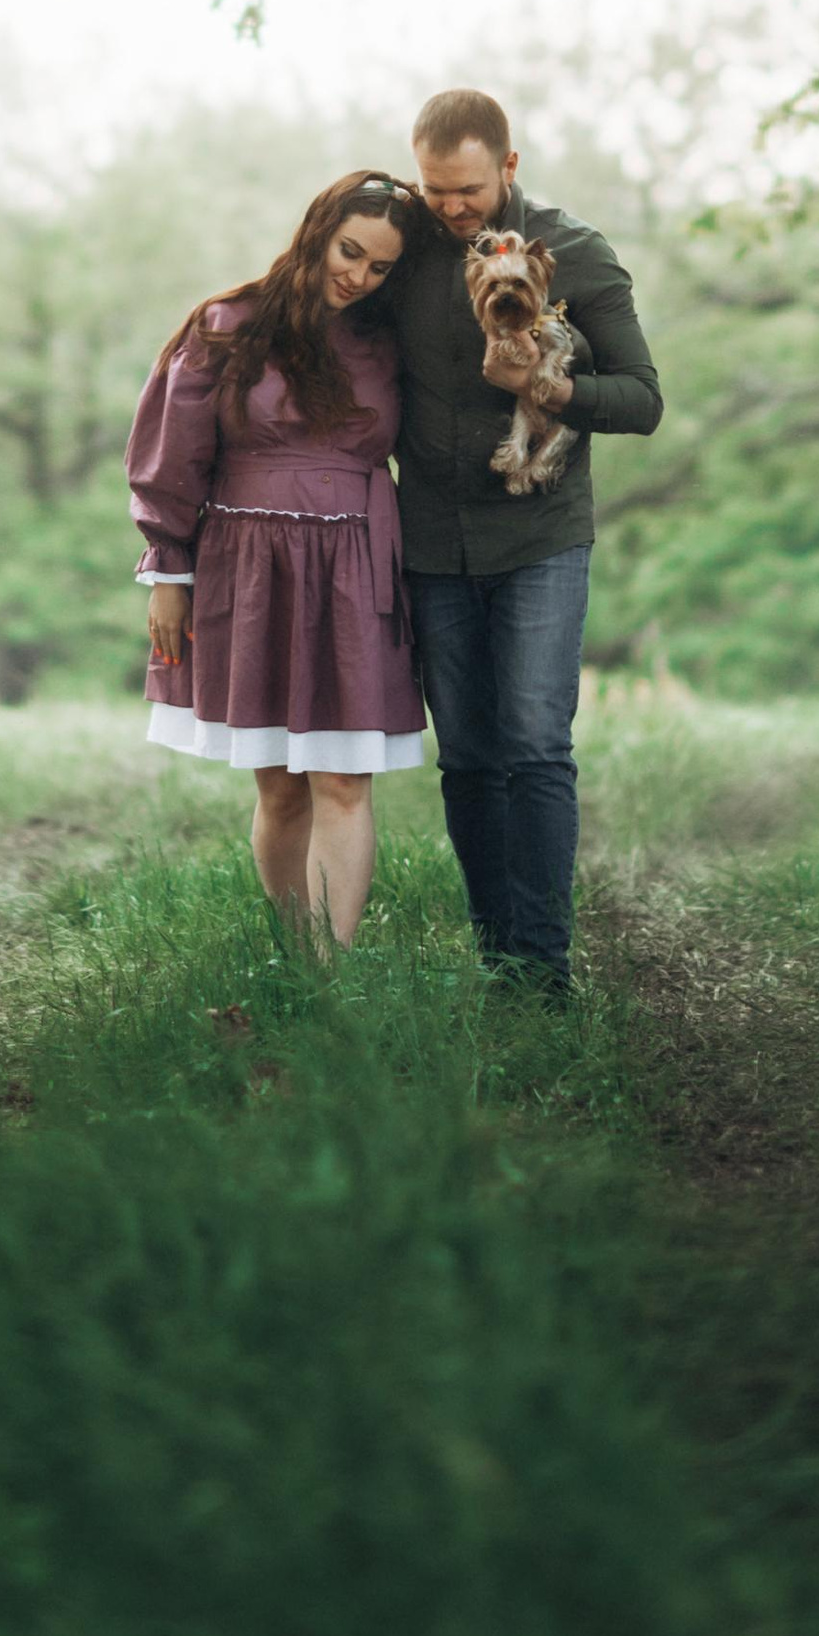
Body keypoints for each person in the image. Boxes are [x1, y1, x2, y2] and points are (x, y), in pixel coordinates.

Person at [389, 87, 662, 988]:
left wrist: (553, 393)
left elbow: (643, 399)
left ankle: (543, 971)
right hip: (429, 538)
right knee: (465, 755)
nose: (453, 208)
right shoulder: (402, 253)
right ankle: (494, 954)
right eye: (436, 191)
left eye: (467, 189)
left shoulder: (575, 251)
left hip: (541, 535)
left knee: (537, 741)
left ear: (508, 166)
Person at [127, 170, 430, 943]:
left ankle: (336, 978)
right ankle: (297, 960)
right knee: (283, 787)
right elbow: (173, 455)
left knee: (341, 777)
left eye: (380, 267)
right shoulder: (228, 324)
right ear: (318, 230)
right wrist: (168, 571)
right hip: (251, 568)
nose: (358, 276)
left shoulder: (388, 341)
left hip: (356, 566)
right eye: (350, 251)